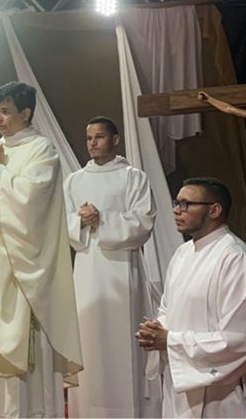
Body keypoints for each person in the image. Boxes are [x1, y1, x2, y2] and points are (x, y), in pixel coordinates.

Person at [0, 81, 82, 417]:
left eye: (6, 111)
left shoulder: (42, 151)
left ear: (26, 113)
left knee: (24, 371)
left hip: (23, 271)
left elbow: (31, 204)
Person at [64, 116, 159, 417]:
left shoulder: (134, 177)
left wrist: (102, 220)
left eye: (100, 137)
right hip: (87, 269)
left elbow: (143, 221)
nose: (92, 143)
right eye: (89, 138)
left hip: (122, 268)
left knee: (122, 341)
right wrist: (80, 221)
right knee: (88, 340)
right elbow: (61, 222)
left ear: (115, 140)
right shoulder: (74, 180)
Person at [136, 177, 246, 417]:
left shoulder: (235, 257)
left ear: (214, 210)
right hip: (179, 379)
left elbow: (238, 338)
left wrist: (170, 340)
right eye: (176, 203)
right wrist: (156, 329)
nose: (177, 210)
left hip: (218, 391)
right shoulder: (182, 253)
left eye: (186, 204)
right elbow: (168, 307)